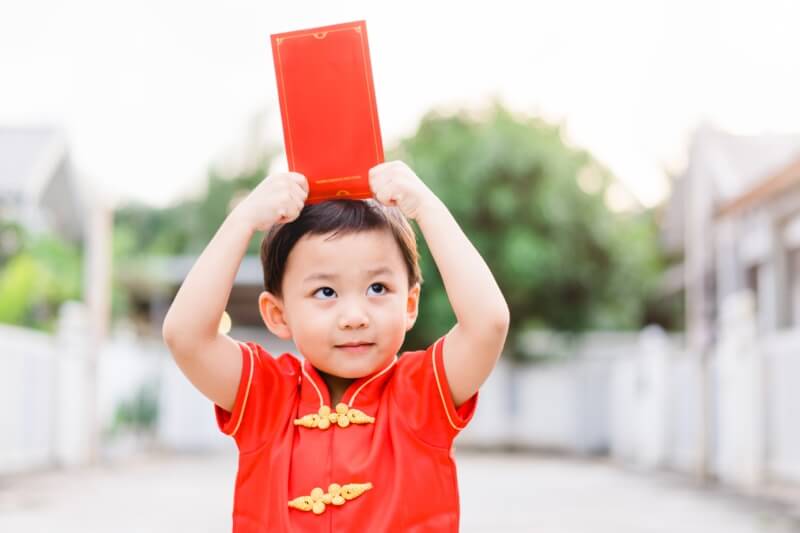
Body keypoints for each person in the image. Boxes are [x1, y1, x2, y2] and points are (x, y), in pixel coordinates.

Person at [162, 160, 510, 532]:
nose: (354, 316)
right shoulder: (265, 394)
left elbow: (487, 324)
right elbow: (186, 336)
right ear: (278, 314)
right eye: (325, 292)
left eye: (378, 288)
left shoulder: (424, 391)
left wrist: (427, 207)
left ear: (409, 305)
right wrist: (243, 219)